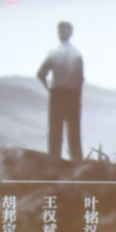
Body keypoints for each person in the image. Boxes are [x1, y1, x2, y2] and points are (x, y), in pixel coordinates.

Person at [36, 21, 84, 162]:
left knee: (55, 132)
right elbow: (80, 79)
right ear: (71, 33)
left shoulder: (53, 53)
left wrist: (49, 88)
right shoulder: (77, 55)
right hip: (73, 95)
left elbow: (41, 74)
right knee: (74, 131)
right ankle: (77, 162)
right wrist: (77, 97)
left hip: (57, 94)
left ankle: (53, 162)